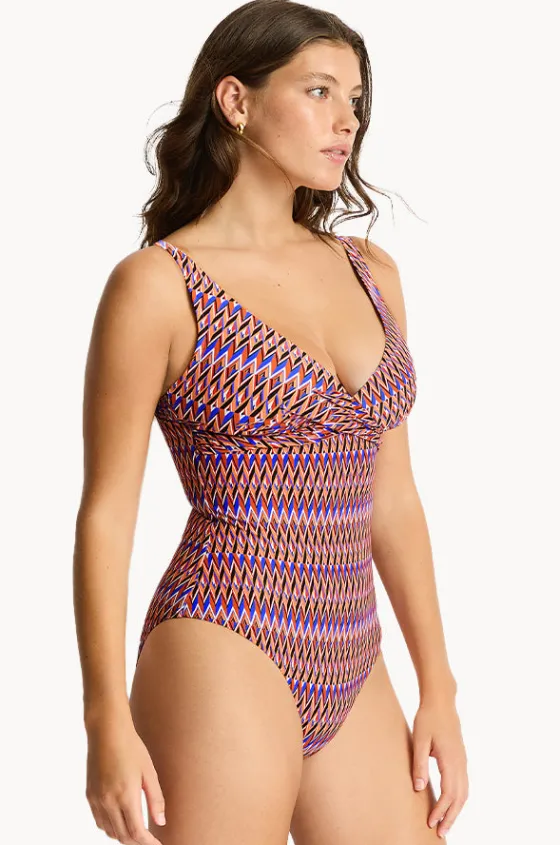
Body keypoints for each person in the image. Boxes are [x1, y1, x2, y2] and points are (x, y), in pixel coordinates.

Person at [73, 1, 468, 843]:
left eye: (354, 100)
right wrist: (104, 715)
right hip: (223, 631)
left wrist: (438, 682)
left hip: (353, 647)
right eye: (319, 91)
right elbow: (107, 513)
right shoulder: (158, 285)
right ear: (236, 101)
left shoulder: (372, 272)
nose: (346, 121)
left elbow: (394, 498)